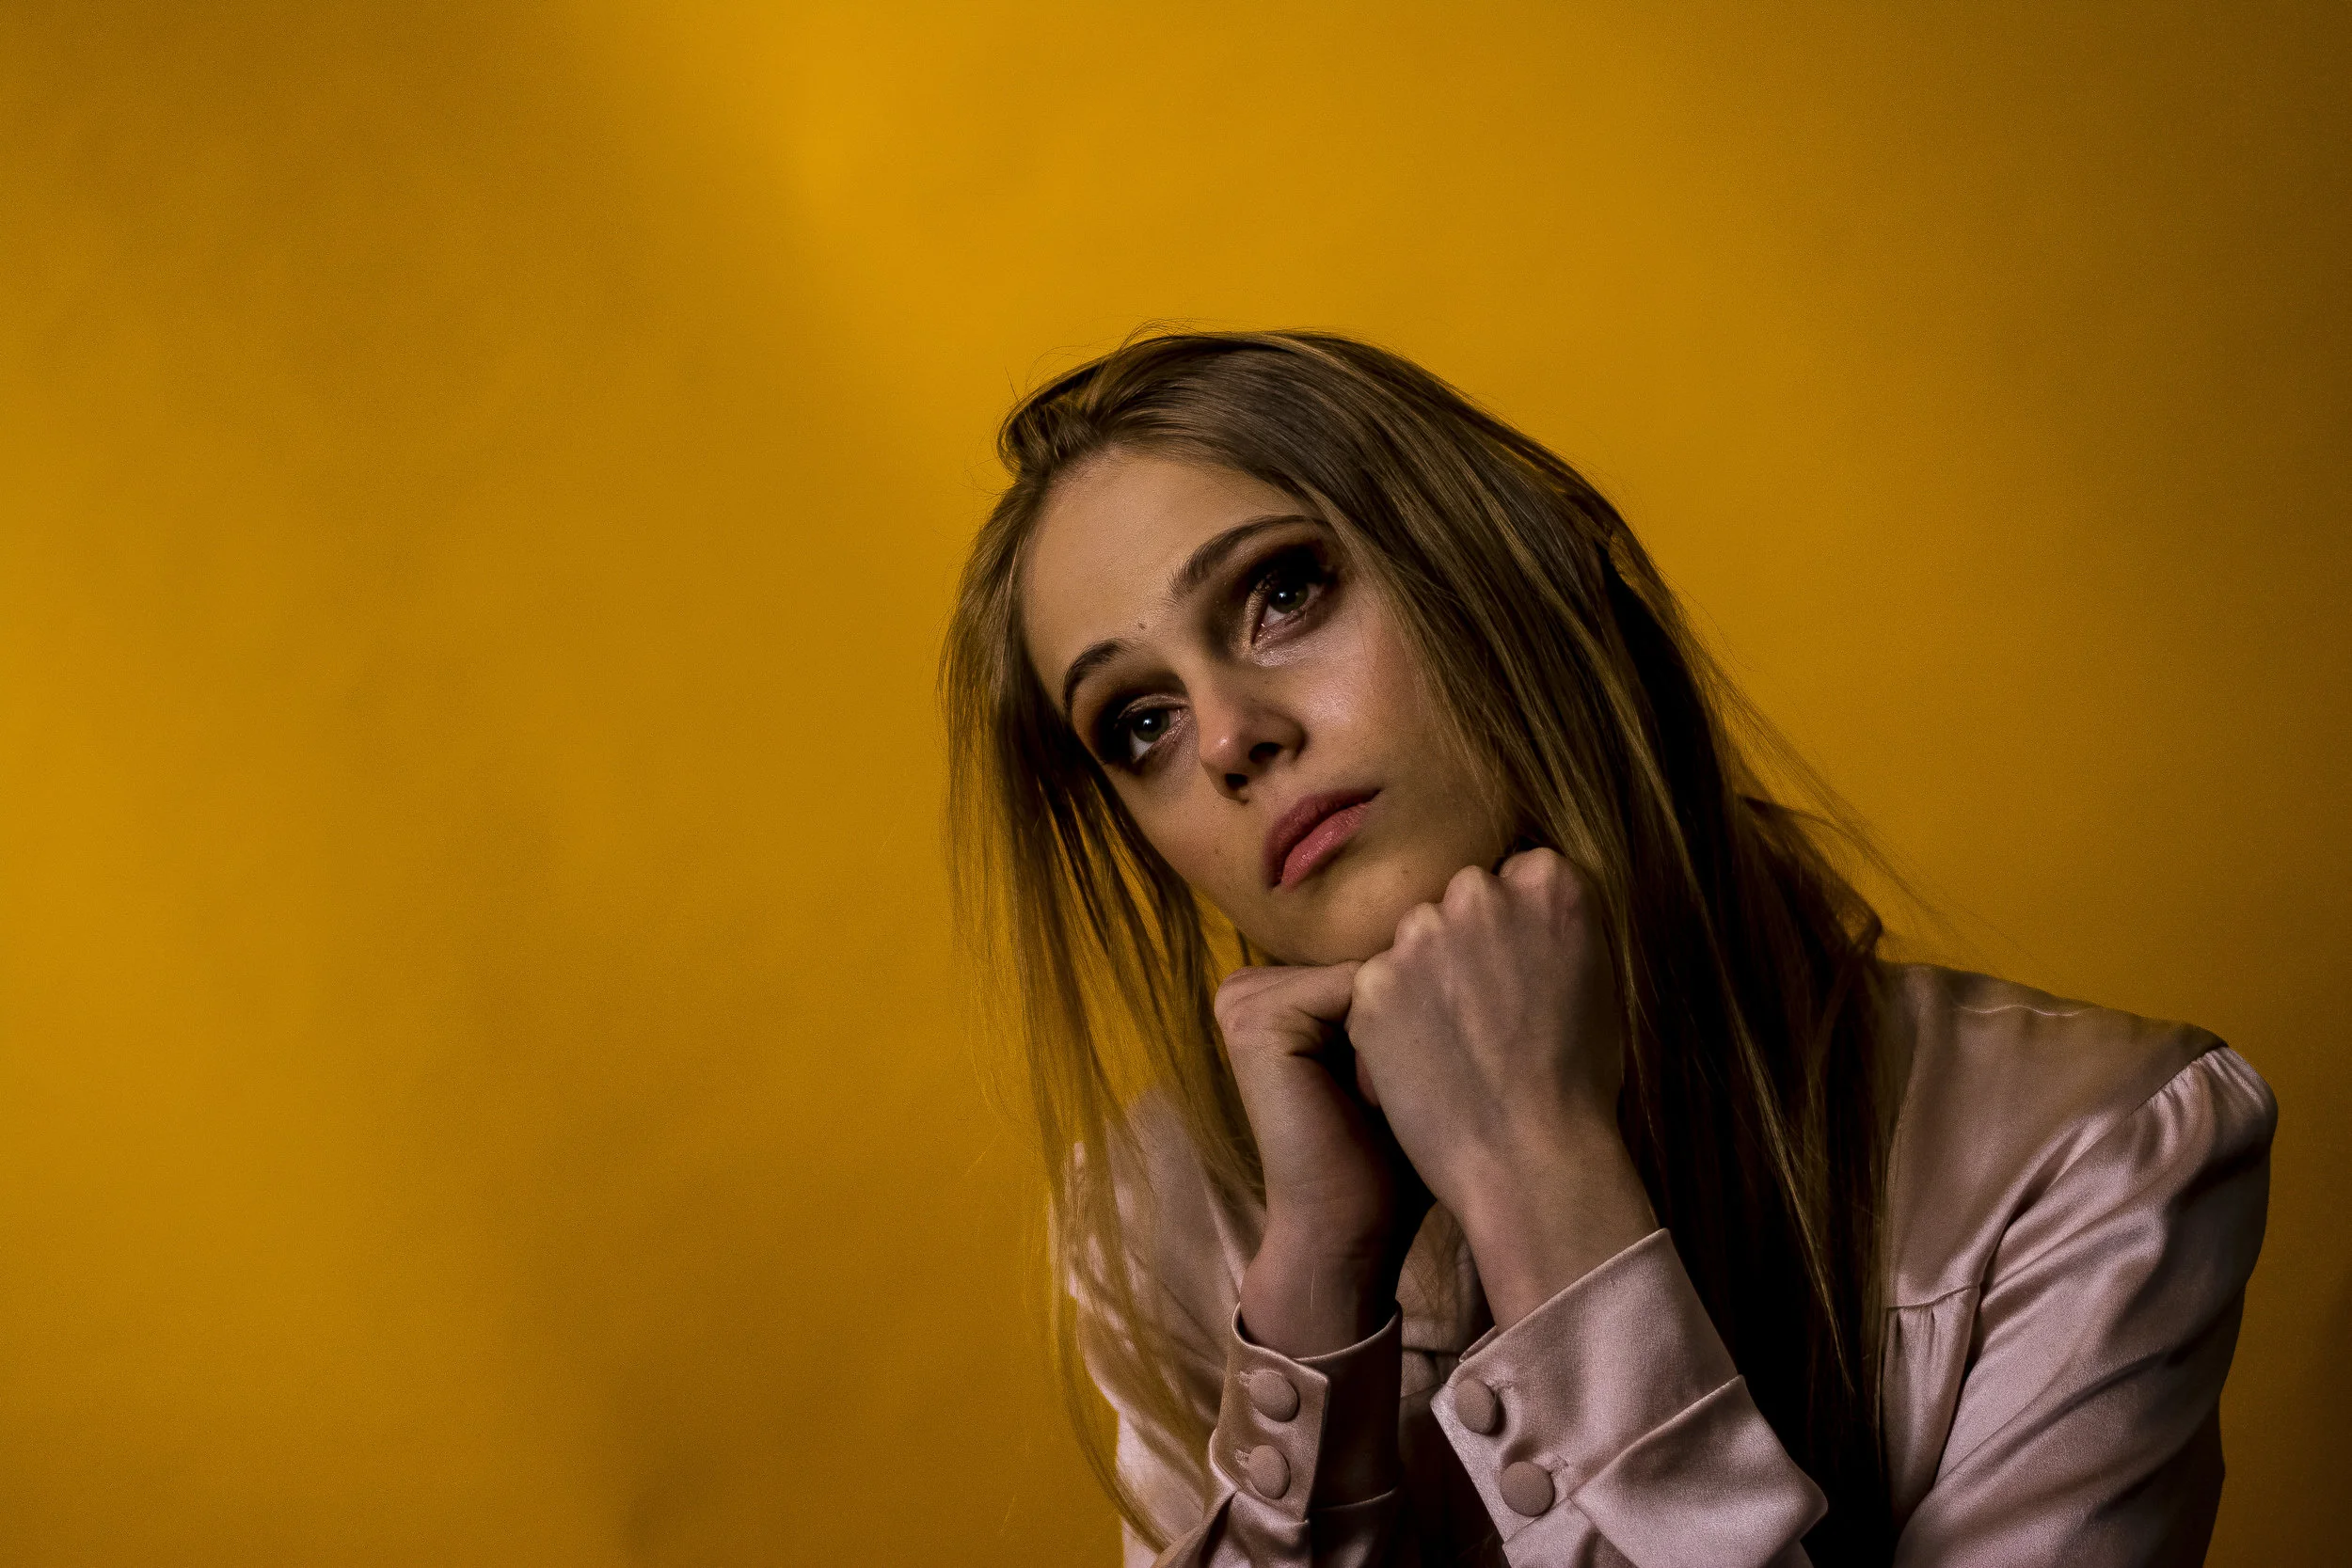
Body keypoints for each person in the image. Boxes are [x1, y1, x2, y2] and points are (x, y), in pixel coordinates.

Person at [939, 329, 2275, 1567]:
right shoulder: (1165, 1219)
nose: (1231, 738)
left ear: (1516, 565)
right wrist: (1315, 1293)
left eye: (1284, 593)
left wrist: (1539, 1174)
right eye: (1141, 723)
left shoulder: (2089, 1153)